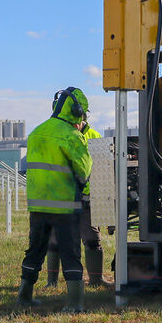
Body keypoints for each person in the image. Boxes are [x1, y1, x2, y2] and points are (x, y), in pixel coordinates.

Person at [16, 87, 92, 312]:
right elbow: (84, 170)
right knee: (70, 254)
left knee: (35, 250)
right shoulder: (71, 135)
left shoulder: (37, 132)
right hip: (65, 207)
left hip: (38, 205)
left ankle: (24, 296)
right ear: (78, 112)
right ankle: (75, 303)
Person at [45, 117, 112, 288]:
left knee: (92, 239)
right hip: (62, 197)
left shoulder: (94, 136)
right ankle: (51, 282)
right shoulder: (57, 135)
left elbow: (104, 169)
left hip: (88, 199)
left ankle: (96, 280)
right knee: (54, 239)